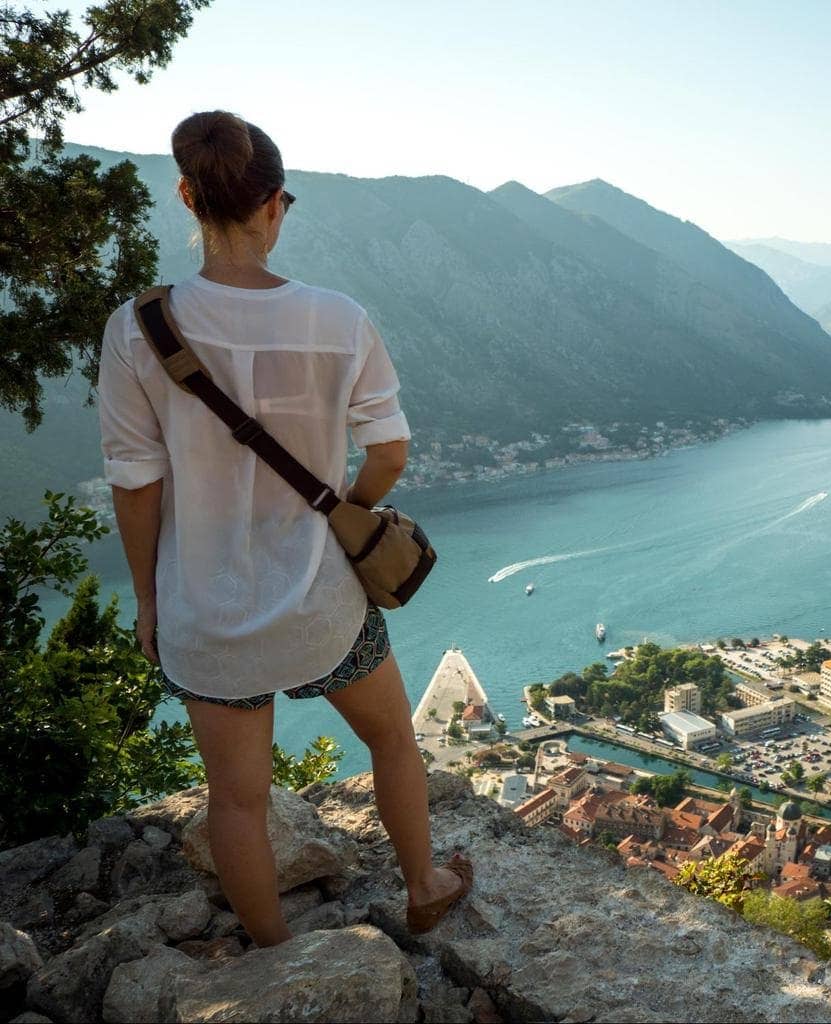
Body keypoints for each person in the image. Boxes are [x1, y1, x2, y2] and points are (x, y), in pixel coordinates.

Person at [97, 110, 469, 947]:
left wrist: (151, 603)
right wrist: (346, 507)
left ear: (188, 197)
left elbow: (135, 487)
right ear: (275, 206)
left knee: (235, 799)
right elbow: (391, 450)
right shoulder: (337, 318)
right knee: (392, 742)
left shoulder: (137, 328)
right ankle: (424, 885)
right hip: (324, 602)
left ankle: (273, 954)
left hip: (205, 612)